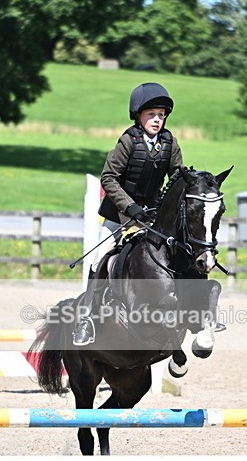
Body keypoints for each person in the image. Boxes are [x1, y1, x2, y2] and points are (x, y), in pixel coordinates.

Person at [72, 82, 183, 346]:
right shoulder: (128, 141)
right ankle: (86, 319)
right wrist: (129, 206)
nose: (157, 120)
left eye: (161, 115)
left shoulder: (169, 142)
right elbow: (108, 178)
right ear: (138, 115)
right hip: (118, 217)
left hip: (152, 217)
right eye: (151, 115)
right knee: (100, 260)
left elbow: (177, 176)